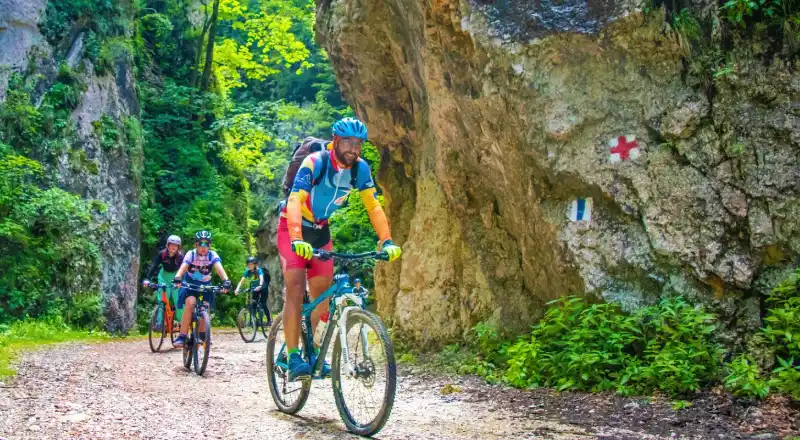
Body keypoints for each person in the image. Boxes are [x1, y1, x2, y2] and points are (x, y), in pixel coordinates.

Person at [279, 117, 402, 381]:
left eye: (358, 144)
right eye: (347, 142)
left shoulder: (360, 169)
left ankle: (312, 352)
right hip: (291, 227)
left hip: (320, 231)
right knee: (295, 288)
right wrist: (297, 238)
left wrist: (387, 240)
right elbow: (295, 200)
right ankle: (293, 356)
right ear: (335, 140)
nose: (353, 149)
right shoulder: (315, 162)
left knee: (322, 297)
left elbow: (374, 206)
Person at [171, 230, 232, 347]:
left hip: (205, 285)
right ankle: (182, 336)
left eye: (206, 244)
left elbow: (219, 268)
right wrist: (178, 277)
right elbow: (183, 267)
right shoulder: (191, 254)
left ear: (210, 245)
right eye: (200, 243)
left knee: (205, 306)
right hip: (190, 284)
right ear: (196, 244)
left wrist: (226, 281)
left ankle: (202, 335)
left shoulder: (212, 255)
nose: (203, 247)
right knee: (191, 303)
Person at [142, 235, 184, 328]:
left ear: (178, 247)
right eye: (171, 244)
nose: (173, 247)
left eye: (176, 245)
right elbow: (154, 265)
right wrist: (147, 279)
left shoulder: (180, 256)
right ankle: (159, 323)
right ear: (167, 245)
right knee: (162, 300)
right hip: (163, 276)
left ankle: (181, 322)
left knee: (178, 300)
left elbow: (184, 270)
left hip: (176, 277)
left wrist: (181, 281)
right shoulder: (162, 254)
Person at [235, 256, 272, 327]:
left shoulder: (259, 270)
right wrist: (237, 289)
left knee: (263, 303)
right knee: (253, 304)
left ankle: (269, 320)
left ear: (255, 264)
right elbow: (241, 281)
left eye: (251, 264)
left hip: (263, 287)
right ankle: (254, 321)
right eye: (248, 264)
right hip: (255, 288)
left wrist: (260, 285)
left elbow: (261, 278)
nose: (250, 266)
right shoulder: (247, 272)